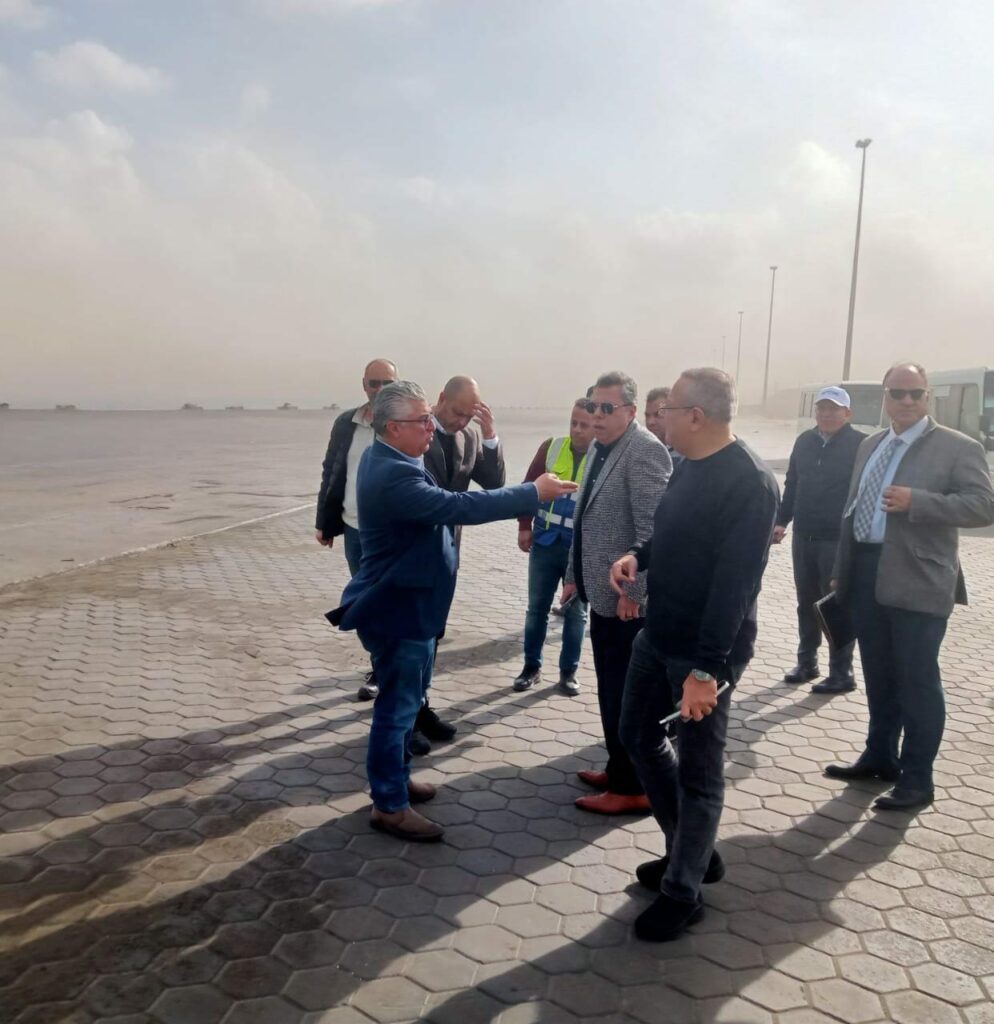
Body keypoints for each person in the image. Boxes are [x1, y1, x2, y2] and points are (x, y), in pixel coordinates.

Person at [327, 382, 577, 842]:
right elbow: (459, 505)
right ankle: (389, 805)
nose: (432, 426)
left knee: (408, 701)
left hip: (417, 605)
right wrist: (533, 493)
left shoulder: (401, 457)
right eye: (422, 420)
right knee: (396, 709)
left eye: (430, 417)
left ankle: (398, 780)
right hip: (399, 610)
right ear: (394, 427)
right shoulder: (392, 472)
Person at [614, 367, 779, 942]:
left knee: (700, 772)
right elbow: (672, 534)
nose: (659, 418)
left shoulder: (750, 483)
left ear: (697, 417)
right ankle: (692, 849)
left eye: (669, 409)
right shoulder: (686, 464)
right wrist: (639, 556)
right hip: (659, 633)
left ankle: (683, 893)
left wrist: (707, 670)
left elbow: (735, 586)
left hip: (705, 654)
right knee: (637, 735)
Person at [824, 363, 994, 812]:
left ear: (927, 396)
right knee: (879, 674)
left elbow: (984, 505)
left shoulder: (958, 447)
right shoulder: (871, 444)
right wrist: (842, 569)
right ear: (884, 396)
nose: (905, 401)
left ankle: (918, 779)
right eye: (896, 393)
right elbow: (851, 508)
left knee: (917, 681)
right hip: (866, 573)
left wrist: (919, 501)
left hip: (919, 578)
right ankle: (880, 757)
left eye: (914, 393)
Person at [561, 371, 672, 815]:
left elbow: (653, 531)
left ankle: (633, 786)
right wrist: (573, 574)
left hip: (626, 603)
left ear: (630, 411)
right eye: (593, 406)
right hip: (599, 592)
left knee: (627, 696)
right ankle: (618, 767)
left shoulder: (645, 451)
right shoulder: (600, 446)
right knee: (611, 690)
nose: (597, 415)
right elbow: (583, 521)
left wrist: (635, 593)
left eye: (607, 408)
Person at [404, 375, 507, 754]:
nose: (461, 421)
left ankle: (422, 706)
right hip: (411, 552)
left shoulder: (470, 437)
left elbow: (494, 485)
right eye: (457, 412)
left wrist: (491, 435)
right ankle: (405, 720)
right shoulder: (414, 433)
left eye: (469, 416)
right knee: (410, 641)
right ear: (441, 398)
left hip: (448, 553)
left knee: (433, 636)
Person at [315, 358, 398, 701]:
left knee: (392, 603)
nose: (379, 389)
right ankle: (381, 666)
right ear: (363, 385)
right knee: (364, 604)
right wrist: (325, 521)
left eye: (386, 383)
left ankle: (392, 670)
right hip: (354, 530)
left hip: (393, 533)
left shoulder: (403, 422)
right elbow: (333, 470)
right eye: (373, 383)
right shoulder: (346, 422)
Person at [773, 386, 863, 694]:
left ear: (847, 413)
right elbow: (793, 483)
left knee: (836, 604)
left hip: (838, 540)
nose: (827, 414)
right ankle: (806, 662)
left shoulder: (860, 444)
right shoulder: (805, 441)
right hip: (804, 536)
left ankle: (842, 671)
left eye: (834, 409)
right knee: (806, 603)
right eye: (822, 408)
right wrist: (782, 520)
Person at [513, 398, 595, 697]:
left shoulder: (604, 457)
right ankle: (530, 668)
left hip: (580, 551)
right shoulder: (552, 447)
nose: (577, 430)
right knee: (536, 609)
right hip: (545, 543)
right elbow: (528, 489)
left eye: (584, 425)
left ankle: (568, 673)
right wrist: (524, 526)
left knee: (576, 614)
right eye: (574, 422)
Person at [644, 386, 684, 469]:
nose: (650, 422)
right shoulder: (641, 452)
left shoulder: (688, 454)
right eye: (647, 416)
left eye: (658, 415)